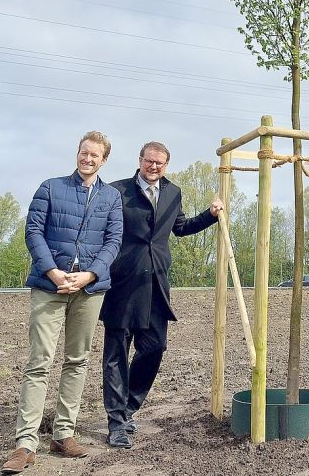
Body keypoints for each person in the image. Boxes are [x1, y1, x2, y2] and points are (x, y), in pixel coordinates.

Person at [2, 131, 124, 474]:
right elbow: (33, 232)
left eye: (94, 155)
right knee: (39, 361)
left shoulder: (111, 197)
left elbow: (113, 241)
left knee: (77, 360)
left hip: (89, 290)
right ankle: (25, 443)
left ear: (104, 160)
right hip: (49, 286)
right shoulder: (51, 187)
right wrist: (54, 273)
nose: (88, 159)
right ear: (78, 153)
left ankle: (63, 434)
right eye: (84, 153)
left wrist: (90, 276)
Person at [101, 141, 223, 448]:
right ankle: (116, 422)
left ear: (166, 165)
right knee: (116, 355)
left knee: (155, 347)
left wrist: (209, 214)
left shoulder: (173, 192)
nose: (154, 166)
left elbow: (179, 228)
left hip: (156, 284)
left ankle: (128, 407)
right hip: (122, 283)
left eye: (160, 163)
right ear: (139, 160)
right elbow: (104, 231)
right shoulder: (117, 191)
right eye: (149, 161)